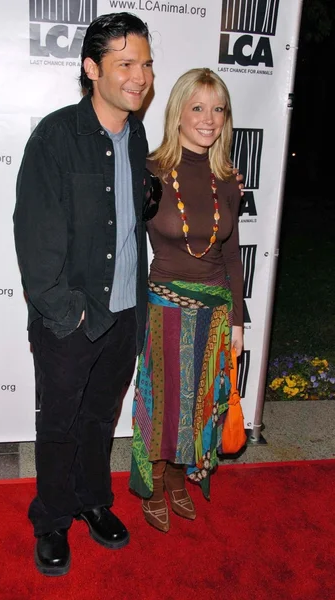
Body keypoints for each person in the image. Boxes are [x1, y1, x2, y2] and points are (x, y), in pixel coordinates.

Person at [13, 12, 158, 576]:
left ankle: (93, 500)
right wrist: (65, 312)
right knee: (60, 423)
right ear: (91, 68)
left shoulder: (137, 132)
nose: (140, 76)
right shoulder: (54, 137)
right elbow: (36, 238)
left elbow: (125, 214)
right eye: (125, 64)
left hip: (125, 312)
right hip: (72, 320)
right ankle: (51, 518)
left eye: (145, 64)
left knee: (101, 418)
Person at [129, 68, 244, 533]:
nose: (209, 119)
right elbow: (130, 249)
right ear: (177, 112)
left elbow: (232, 255)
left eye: (218, 109)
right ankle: (153, 479)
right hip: (163, 308)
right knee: (162, 402)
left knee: (199, 404)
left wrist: (237, 321)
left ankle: (180, 476)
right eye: (198, 107)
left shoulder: (228, 179)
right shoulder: (150, 172)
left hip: (215, 311)